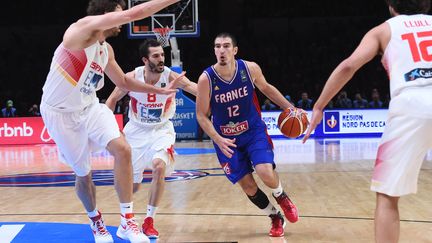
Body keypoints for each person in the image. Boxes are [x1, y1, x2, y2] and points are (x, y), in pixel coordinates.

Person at [39, 0, 182, 242]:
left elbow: (123, 83)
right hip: (60, 114)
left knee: (123, 149)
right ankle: (96, 221)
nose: (124, 17)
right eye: (119, 12)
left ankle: (127, 221)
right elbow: (137, 12)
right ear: (106, 14)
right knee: (84, 174)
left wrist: (157, 91)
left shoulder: (106, 50)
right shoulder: (81, 30)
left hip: (90, 107)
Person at [303, 1, 432, 242]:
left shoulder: (383, 30)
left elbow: (349, 65)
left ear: (391, 5)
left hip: (410, 106)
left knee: (387, 196)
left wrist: (319, 105)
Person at [196, 33, 299, 237]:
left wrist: (291, 108)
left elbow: (267, 89)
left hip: (252, 131)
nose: (221, 50)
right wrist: (217, 138)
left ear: (235, 50)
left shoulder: (249, 68)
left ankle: (281, 195)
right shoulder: (205, 79)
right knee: (249, 186)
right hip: (226, 139)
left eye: (226, 46)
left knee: (265, 172)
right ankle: (274, 217)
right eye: (217, 46)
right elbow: (201, 115)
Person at [105, 39, 197, 239]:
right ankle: (126, 220)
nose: (161, 59)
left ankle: (149, 220)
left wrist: (219, 96)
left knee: (159, 167)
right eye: (156, 56)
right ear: (145, 60)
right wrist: (111, 130)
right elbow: (111, 100)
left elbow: (195, 89)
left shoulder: (171, 76)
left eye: (162, 55)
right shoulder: (131, 78)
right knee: (133, 185)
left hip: (162, 130)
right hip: (136, 131)